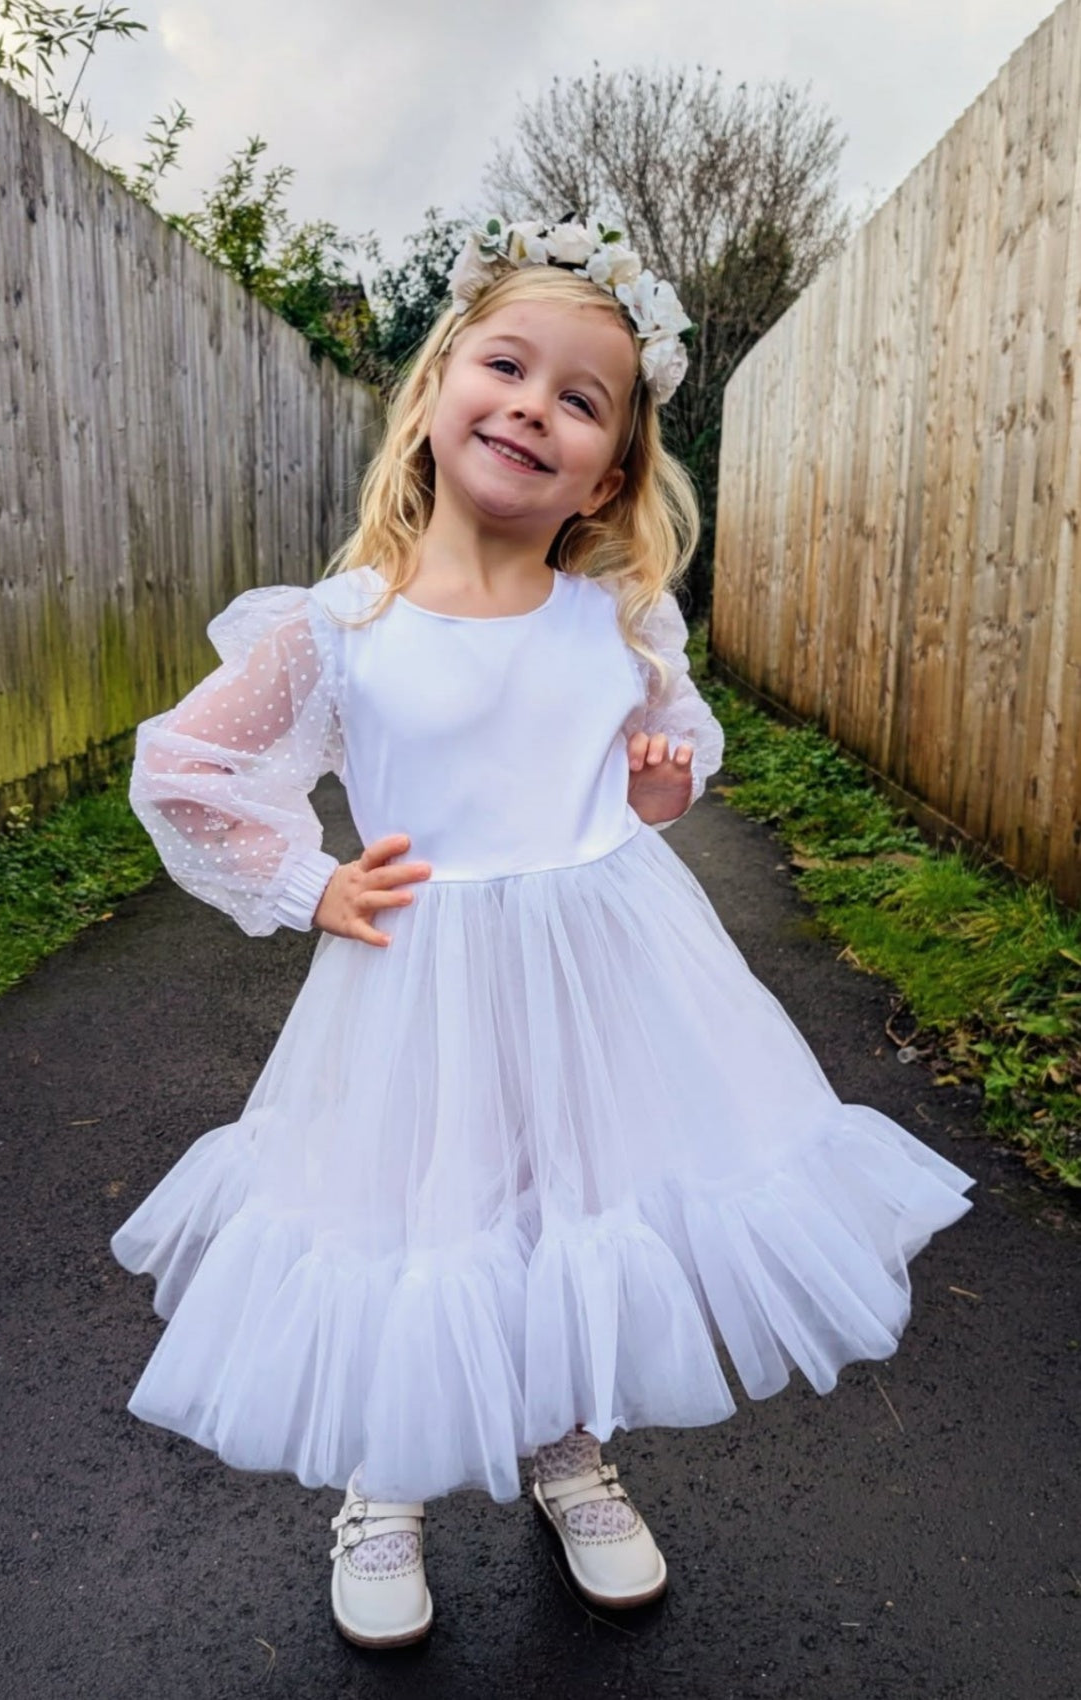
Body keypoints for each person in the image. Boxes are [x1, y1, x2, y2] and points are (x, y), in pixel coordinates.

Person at [111, 219, 974, 1649]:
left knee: (566, 1203)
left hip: (600, 978)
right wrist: (303, 883)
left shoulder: (618, 618)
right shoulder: (342, 628)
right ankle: (384, 1486)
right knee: (416, 1212)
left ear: (611, 468)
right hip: (417, 988)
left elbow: (670, 746)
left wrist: (658, 783)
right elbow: (187, 769)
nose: (532, 405)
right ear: (439, 390)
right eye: (506, 367)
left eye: (579, 399)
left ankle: (565, 1448)